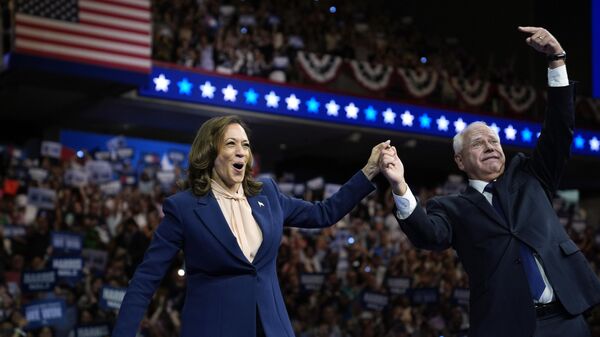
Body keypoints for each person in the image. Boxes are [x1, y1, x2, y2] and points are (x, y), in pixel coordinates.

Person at [379, 27, 600, 337]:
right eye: (478, 144)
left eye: (494, 141)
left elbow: (559, 128)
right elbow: (428, 236)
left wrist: (557, 60)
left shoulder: (530, 174)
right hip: (506, 326)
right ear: (460, 160)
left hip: (568, 317)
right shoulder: (450, 207)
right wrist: (400, 185)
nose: (490, 147)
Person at [112, 115, 387, 337]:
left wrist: (369, 171)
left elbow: (324, 213)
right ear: (209, 153)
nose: (241, 151)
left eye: (245, 144)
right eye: (231, 144)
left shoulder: (267, 193)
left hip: (273, 329)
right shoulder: (183, 208)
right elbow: (145, 280)